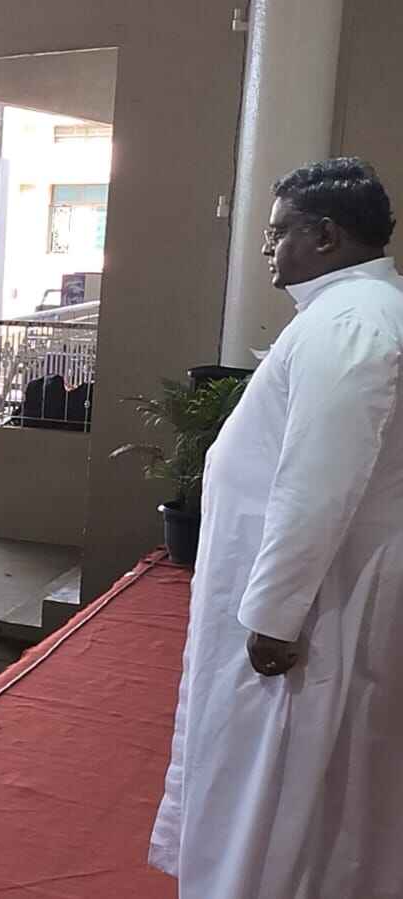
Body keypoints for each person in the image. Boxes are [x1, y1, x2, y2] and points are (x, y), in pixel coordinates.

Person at [149, 157, 403, 899]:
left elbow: (319, 479)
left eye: (277, 231)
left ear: (325, 235)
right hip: (322, 587)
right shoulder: (351, 310)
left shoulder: (351, 321)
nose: (266, 247)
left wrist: (274, 614)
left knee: (278, 776)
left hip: (319, 605)